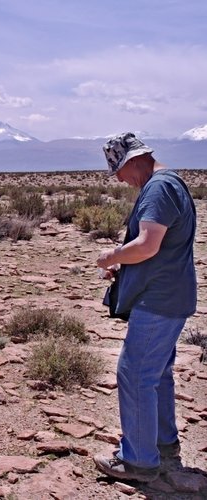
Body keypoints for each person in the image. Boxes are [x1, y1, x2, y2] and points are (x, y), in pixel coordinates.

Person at [93, 132, 197, 482]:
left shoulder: (158, 187)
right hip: (170, 295)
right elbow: (157, 249)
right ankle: (161, 443)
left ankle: (139, 460)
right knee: (156, 374)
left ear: (134, 160)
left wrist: (112, 256)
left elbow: (148, 245)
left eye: (119, 170)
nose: (120, 179)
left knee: (135, 374)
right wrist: (125, 264)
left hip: (159, 300)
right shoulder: (170, 184)